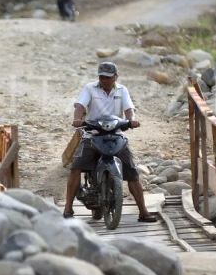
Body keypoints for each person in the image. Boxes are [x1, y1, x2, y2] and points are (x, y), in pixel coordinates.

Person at [63, 62, 157, 222]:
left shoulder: (122, 90)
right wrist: (77, 119)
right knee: (76, 166)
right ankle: (68, 208)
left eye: (108, 77)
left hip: (116, 134)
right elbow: (80, 105)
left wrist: (131, 120)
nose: (104, 80)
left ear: (115, 77)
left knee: (132, 172)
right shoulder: (89, 88)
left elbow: (129, 109)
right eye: (102, 77)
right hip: (92, 134)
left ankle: (143, 211)